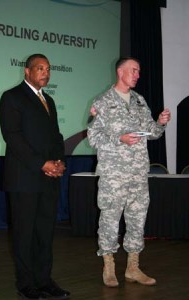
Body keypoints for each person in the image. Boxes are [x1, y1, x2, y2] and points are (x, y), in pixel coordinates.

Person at [87, 57, 171, 288]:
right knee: (110, 220)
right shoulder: (102, 101)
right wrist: (119, 138)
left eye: (139, 71)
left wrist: (160, 123)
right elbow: (93, 137)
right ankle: (109, 266)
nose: (137, 75)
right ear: (120, 71)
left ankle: (133, 267)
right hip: (113, 174)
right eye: (133, 70)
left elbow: (151, 133)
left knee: (137, 220)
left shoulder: (139, 101)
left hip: (138, 174)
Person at [0, 54, 70, 299]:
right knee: (24, 233)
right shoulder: (12, 97)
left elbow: (56, 137)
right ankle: (26, 284)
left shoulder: (48, 99)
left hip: (49, 178)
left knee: (44, 233)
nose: (46, 72)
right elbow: (13, 137)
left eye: (48, 69)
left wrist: (59, 162)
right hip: (24, 178)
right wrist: (42, 163)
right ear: (27, 71)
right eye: (40, 68)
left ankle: (44, 280)